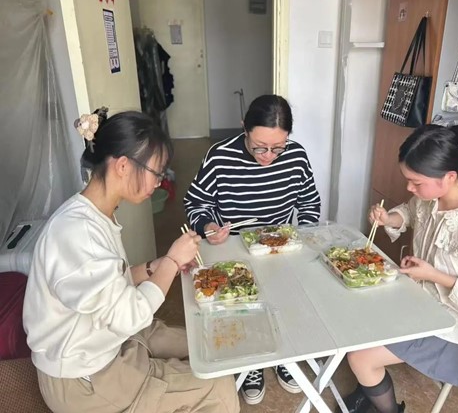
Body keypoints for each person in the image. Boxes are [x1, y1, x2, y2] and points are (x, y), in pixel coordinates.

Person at [22, 109, 239, 413]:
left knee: (208, 341)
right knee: (218, 384)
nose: (159, 183)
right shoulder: (77, 232)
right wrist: (171, 262)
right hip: (84, 377)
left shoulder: (95, 214)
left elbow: (111, 284)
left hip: (106, 341)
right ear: (123, 165)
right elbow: (128, 316)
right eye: (156, 173)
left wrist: (154, 267)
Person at [339, 125, 458, 413]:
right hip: (417, 301)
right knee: (354, 312)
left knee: (360, 356)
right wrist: (389, 219)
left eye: (416, 182)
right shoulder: (432, 197)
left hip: (454, 325)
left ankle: (387, 408)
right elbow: (409, 212)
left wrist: (435, 276)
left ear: (450, 176)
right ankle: (368, 390)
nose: (410, 188)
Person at [185, 94, 321, 404]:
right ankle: (253, 363)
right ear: (244, 129)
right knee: (243, 306)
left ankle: (285, 355)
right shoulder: (219, 156)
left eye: (278, 147)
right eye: (259, 146)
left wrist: (302, 234)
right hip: (232, 248)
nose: (268, 156)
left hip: (278, 247)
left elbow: (309, 202)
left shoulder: (296, 156)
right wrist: (208, 226)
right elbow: (195, 202)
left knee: (283, 302)